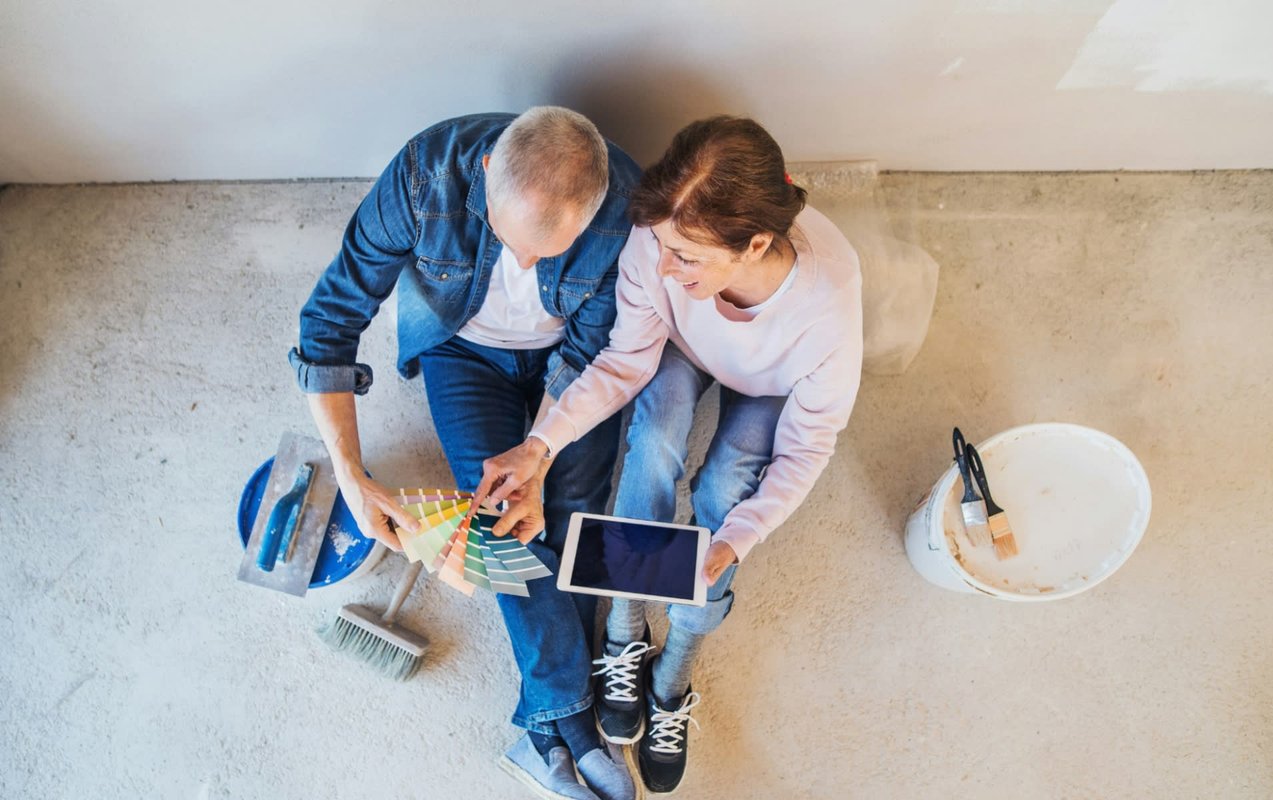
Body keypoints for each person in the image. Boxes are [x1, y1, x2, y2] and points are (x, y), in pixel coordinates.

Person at [475, 116, 864, 794]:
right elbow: (625, 361)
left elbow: (806, 448)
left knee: (725, 497)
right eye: (661, 245)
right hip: (681, 346)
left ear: (757, 246)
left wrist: (737, 539)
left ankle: (674, 669)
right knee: (653, 440)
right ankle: (624, 626)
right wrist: (541, 444)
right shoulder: (659, 240)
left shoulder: (827, 309)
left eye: (686, 256)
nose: (662, 266)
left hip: (771, 382)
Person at [290, 108, 640, 800]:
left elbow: (590, 347)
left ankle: (551, 733)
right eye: (516, 242)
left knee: (574, 517)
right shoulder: (425, 176)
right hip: (461, 351)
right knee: (499, 525)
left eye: (550, 252)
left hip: (570, 364)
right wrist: (354, 478)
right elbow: (326, 326)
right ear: (484, 177)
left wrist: (540, 452)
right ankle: (566, 725)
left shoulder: (625, 208)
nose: (529, 265)